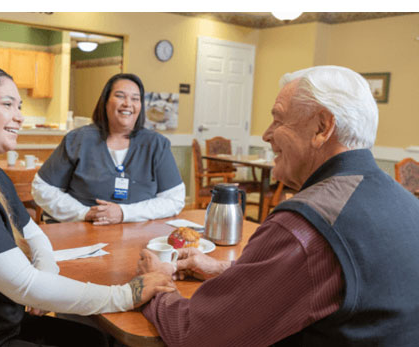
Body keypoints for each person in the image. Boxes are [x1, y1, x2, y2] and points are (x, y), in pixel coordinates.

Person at [137, 65, 419, 346]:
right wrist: (223, 270)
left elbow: (196, 335)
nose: (266, 134)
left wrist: (156, 283)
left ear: (322, 127)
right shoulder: (407, 204)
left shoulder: (304, 226)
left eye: (278, 120)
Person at [0, 63, 175, 347]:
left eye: (19, 107)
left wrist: (44, 280)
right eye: (7, 104)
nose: (19, 118)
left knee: (98, 340)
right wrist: (127, 294)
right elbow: (24, 285)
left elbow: (35, 236)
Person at [32, 73, 185, 225]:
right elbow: (42, 188)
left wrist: (124, 213)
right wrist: (84, 213)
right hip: (82, 235)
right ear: (105, 102)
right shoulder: (78, 140)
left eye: (135, 99)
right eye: (120, 96)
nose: (127, 103)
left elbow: (174, 199)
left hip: (137, 236)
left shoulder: (157, 145)